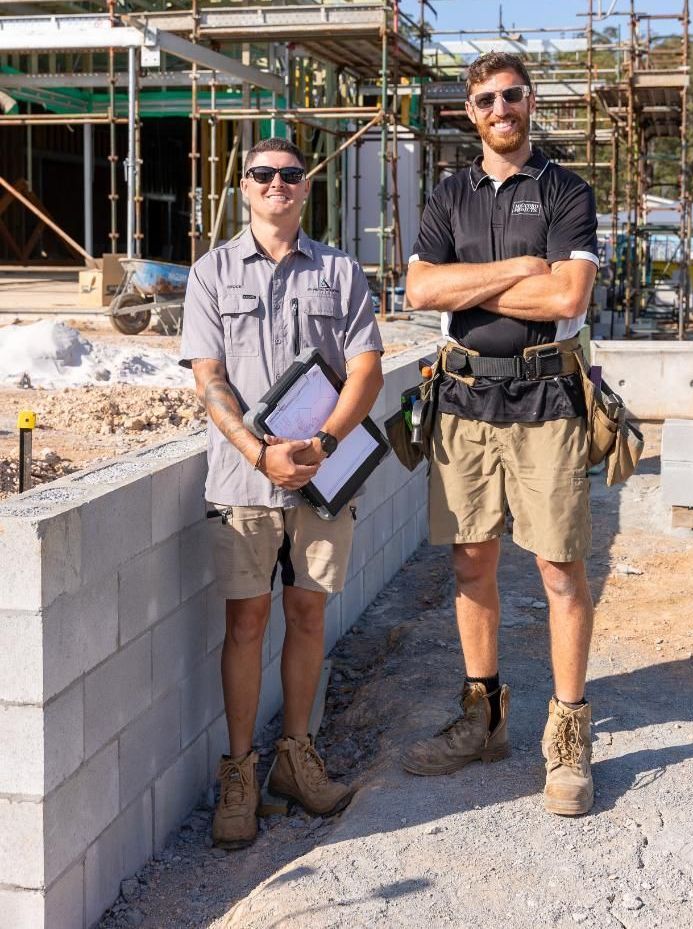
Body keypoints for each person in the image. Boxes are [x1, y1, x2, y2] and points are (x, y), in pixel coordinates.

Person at [402, 52, 600, 816]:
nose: (499, 107)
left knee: (558, 568)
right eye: (483, 97)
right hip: (461, 400)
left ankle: (569, 738)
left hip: (546, 396)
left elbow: (565, 294)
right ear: (468, 111)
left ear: (529, 99)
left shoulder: (565, 190)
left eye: (510, 94)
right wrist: (522, 264)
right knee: (469, 560)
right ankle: (482, 723)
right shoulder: (449, 193)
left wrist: (475, 278)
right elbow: (420, 287)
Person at [180, 137, 383, 848]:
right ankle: (239, 774)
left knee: (306, 614)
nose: (277, 184)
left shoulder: (339, 270)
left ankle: (296, 758)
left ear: (305, 188)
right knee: (246, 623)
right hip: (243, 479)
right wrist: (258, 453)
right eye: (263, 174)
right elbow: (207, 376)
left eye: (289, 175)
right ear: (244, 186)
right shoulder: (209, 273)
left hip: (321, 476)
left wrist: (322, 444)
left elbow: (366, 370)